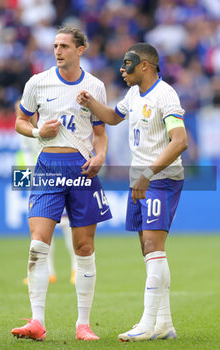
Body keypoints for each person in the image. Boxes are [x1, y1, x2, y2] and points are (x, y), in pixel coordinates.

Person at [77, 42, 187, 342]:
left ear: (145, 66)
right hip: (139, 177)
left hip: (160, 178)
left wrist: (149, 174)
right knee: (147, 248)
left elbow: (180, 141)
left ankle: (147, 323)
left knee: (153, 245)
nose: (122, 69)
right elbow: (113, 117)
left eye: (128, 64)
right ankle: (164, 323)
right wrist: (90, 103)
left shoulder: (165, 95)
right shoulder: (134, 93)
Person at [11, 24, 112, 342]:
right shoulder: (38, 83)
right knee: (38, 244)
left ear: (80, 50)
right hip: (47, 168)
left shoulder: (94, 86)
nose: (57, 51)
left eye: (64, 46)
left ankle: (83, 325)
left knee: (84, 247)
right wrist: (38, 132)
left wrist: (101, 157)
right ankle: (37, 322)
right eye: (55, 46)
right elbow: (20, 121)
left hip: (82, 171)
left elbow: (100, 133)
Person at [15, 103, 77, 286]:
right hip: (38, 187)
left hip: (57, 182)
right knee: (40, 231)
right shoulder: (23, 137)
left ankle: (76, 268)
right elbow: (24, 160)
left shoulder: (49, 127)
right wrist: (24, 187)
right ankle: (48, 272)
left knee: (67, 226)